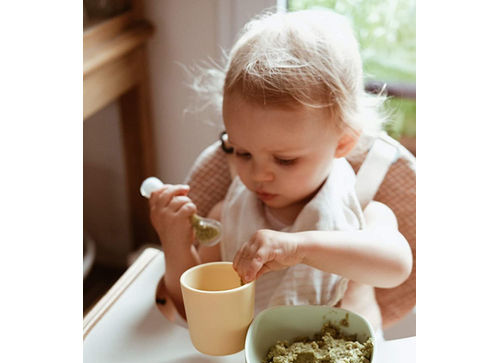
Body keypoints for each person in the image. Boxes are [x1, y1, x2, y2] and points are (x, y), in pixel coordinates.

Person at [148, 8, 413, 330]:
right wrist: (176, 243)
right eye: (242, 152)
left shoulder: (363, 209)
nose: (258, 175)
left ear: (343, 143)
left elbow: (396, 267)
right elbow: (194, 313)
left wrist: (301, 248)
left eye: (285, 160)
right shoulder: (226, 217)